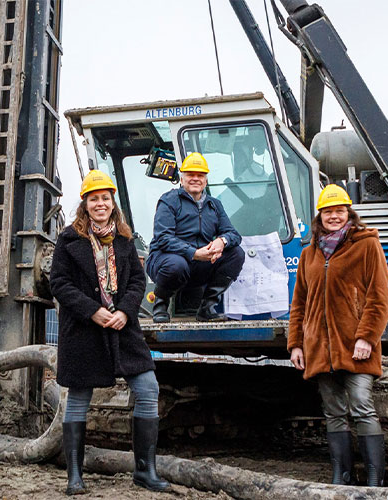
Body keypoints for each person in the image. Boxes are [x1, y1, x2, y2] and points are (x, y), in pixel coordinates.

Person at [50, 170, 170, 495]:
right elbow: (58, 282)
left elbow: (137, 282)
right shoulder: (68, 239)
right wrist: (92, 310)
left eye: (105, 198)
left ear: (112, 202)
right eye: (94, 199)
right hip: (84, 330)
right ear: (85, 204)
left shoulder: (125, 239)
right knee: (78, 399)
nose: (100, 203)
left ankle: (145, 471)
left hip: (122, 327)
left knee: (148, 388)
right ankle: (75, 477)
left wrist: (124, 311)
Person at [288, 184, 388, 487]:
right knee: (333, 412)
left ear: (349, 213)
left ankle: (375, 480)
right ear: (319, 216)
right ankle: (341, 477)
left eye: (339, 211)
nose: (334, 216)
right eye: (328, 211)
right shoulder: (309, 254)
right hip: (320, 348)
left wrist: (366, 338)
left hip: (356, 344)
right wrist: (295, 344)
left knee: (360, 404)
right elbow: (299, 303)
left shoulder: (366, 245)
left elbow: (380, 297)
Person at [146, 152, 245, 322]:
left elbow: (234, 234)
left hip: (199, 264)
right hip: (166, 261)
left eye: (200, 175)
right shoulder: (169, 201)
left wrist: (222, 241)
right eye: (190, 174)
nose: (195, 179)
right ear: (181, 178)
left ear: (205, 180)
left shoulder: (214, 205)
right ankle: (161, 305)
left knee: (237, 253)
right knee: (176, 264)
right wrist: (193, 252)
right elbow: (163, 237)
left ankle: (207, 307)